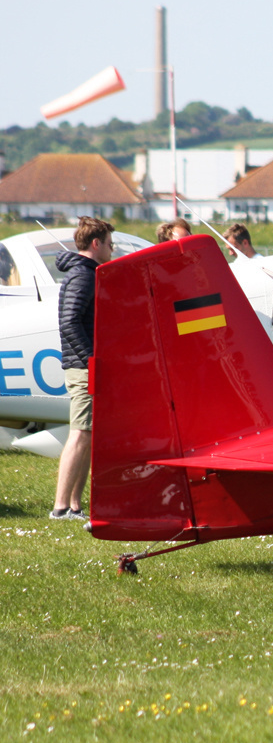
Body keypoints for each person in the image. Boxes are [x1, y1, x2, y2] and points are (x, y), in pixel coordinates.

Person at [50, 217, 114, 520]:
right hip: (82, 366)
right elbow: (70, 321)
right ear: (96, 244)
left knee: (88, 433)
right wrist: (91, 360)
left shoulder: (86, 273)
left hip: (83, 364)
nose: (113, 250)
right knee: (79, 433)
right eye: (110, 244)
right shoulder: (84, 276)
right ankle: (60, 508)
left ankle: (75, 505)